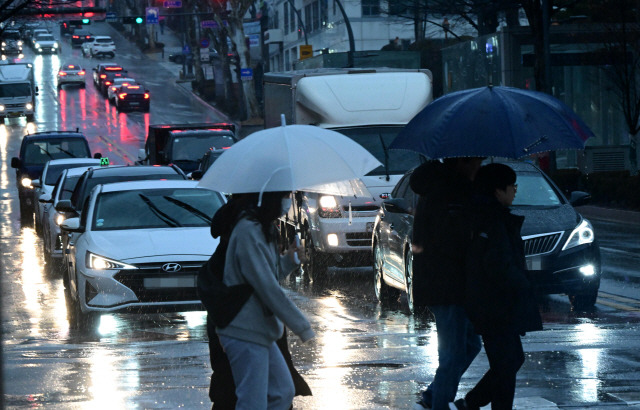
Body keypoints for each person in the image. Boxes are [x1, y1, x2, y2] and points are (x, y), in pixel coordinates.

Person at [199, 194, 311, 409]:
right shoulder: (247, 230)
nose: (288, 202)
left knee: (282, 391)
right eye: (284, 195)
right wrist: (303, 327)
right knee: (251, 400)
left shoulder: (262, 227)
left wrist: (291, 260)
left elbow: (266, 273)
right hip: (243, 326)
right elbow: (265, 285)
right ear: (269, 197)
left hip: (259, 327)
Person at [451, 163, 543, 410]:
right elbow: (498, 264)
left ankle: (469, 403)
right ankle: (470, 404)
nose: (515, 190)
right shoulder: (491, 219)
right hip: (495, 304)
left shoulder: (488, 215)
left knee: (510, 361)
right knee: (507, 362)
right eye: (512, 185)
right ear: (497, 190)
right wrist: (524, 285)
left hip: (492, 303)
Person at [410, 157, 485, 410]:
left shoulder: (451, 190)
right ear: (462, 162)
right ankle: (440, 403)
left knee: (471, 345)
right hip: (447, 285)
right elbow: (451, 242)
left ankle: (434, 395)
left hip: (453, 284)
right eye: (476, 161)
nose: (479, 166)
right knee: (452, 355)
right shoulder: (448, 194)